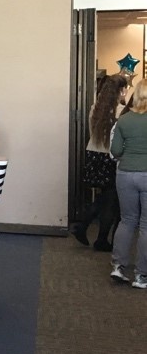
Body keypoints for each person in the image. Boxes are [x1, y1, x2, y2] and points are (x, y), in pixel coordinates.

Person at [71, 74, 127, 252]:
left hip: (94, 154)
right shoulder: (121, 112)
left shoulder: (95, 108)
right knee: (110, 200)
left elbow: (91, 131)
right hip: (110, 157)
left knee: (106, 197)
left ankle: (85, 227)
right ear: (121, 90)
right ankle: (99, 238)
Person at [109, 81, 147, 288]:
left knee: (127, 221)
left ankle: (118, 267)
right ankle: (142, 276)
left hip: (124, 174)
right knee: (146, 225)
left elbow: (115, 151)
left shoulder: (123, 121)